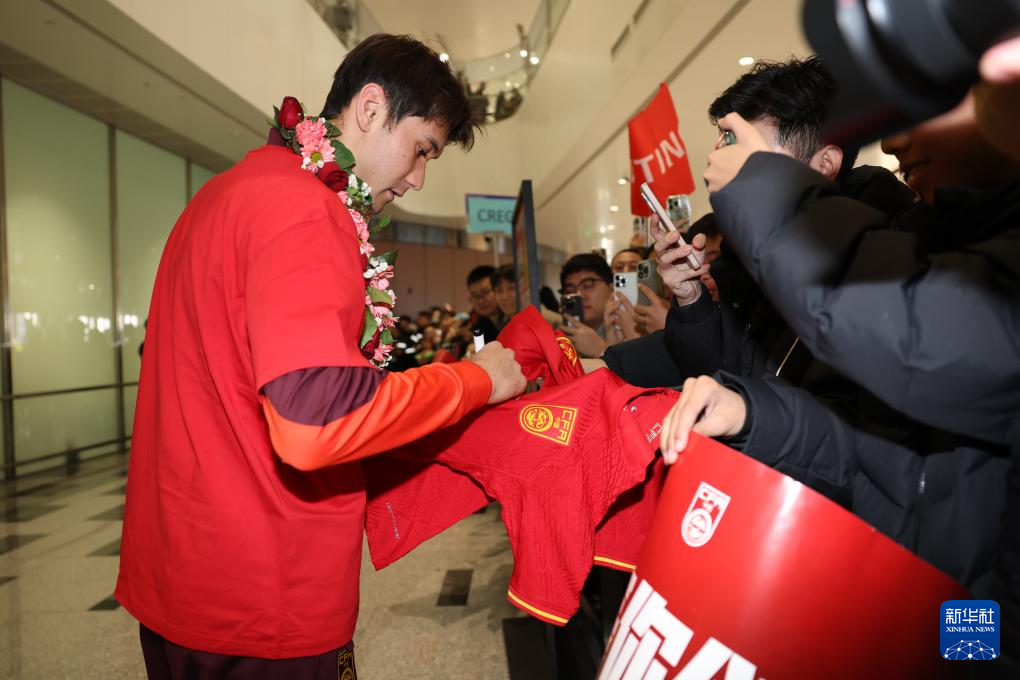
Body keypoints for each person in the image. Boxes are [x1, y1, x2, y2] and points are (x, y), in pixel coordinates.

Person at [116, 34, 526, 677]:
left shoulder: (224, 195)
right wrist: (475, 380)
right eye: (422, 149)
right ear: (370, 108)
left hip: (178, 579)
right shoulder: (308, 210)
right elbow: (316, 421)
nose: (417, 179)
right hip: (265, 596)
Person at [665, 43, 1020, 669]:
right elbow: (866, 440)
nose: (895, 143)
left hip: (982, 620)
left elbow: (928, 344)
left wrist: (766, 194)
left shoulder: (865, 259)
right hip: (901, 591)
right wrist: (749, 413)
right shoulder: (910, 244)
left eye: (922, 107)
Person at [557, 252, 614, 357]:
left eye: (588, 285)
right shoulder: (560, 339)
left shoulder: (628, 329)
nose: (580, 295)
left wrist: (601, 351)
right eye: (570, 290)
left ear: (611, 288)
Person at [466, 264, 506, 341]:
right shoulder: (480, 327)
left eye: (485, 292)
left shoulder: (513, 320)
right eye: (474, 296)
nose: (480, 300)